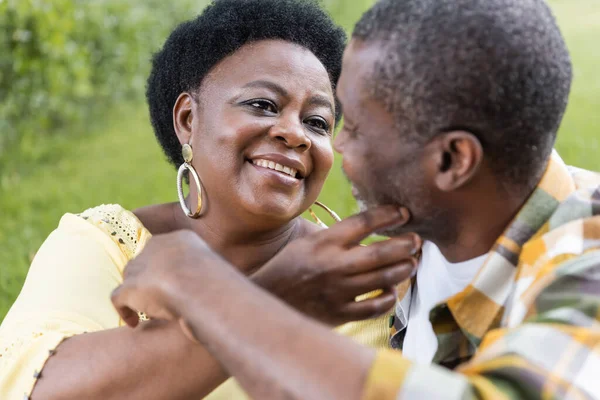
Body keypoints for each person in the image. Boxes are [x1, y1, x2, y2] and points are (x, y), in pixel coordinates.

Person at [110, 0, 600, 398]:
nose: (334, 146)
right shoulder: (415, 244)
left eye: (354, 129)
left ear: (452, 161)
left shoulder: (587, 260)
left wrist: (208, 293)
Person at [0, 1, 421, 399]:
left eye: (317, 122)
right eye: (262, 104)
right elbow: (36, 387)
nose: (294, 134)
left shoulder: (361, 289)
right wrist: (275, 301)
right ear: (188, 119)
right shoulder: (108, 246)